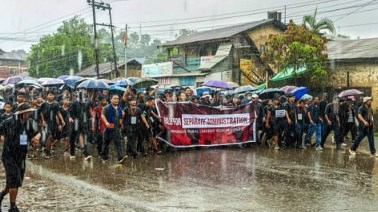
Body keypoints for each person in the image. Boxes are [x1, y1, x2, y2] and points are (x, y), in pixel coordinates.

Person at [0, 103, 40, 212]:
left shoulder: (30, 122)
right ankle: (12, 207)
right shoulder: (9, 122)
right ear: (23, 113)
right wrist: (5, 140)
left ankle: (1, 195)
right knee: (14, 180)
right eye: (29, 112)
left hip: (21, 156)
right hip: (9, 156)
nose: (30, 113)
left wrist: (36, 138)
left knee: (15, 182)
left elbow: (38, 132)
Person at [101, 93, 128, 163]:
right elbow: (102, 115)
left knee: (118, 143)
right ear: (111, 99)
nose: (116, 100)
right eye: (114, 98)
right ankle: (104, 158)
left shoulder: (119, 108)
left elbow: (120, 117)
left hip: (117, 129)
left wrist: (121, 124)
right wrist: (106, 122)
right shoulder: (107, 107)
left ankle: (120, 158)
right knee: (106, 144)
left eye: (117, 99)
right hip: (108, 129)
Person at [40, 90, 65, 159]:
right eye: (49, 94)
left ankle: (47, 148)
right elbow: (41, 113)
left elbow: (58, 113)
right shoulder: (44, 104)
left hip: (53, 122)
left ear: (54, 96)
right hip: (46, 122)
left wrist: (62, 121)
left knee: (53, 137)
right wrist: (43, 121)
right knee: (49, 136)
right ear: (46, 96)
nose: (51, 96)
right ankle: (47, 153)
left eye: (52, 95)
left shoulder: (56, 104)